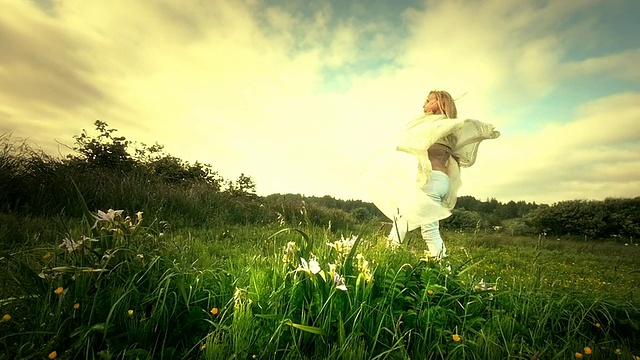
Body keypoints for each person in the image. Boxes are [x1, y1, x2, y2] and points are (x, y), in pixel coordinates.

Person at [366, 90, 500, 258]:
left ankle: (388, 262)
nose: (424, 104)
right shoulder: (451, 129)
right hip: (441, 181)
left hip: (430, 181)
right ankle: (396, 261)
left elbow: (412, 142)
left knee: (413, 227)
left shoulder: (437, 126)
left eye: (429, 100)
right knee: (407, 223)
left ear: (440, 103)